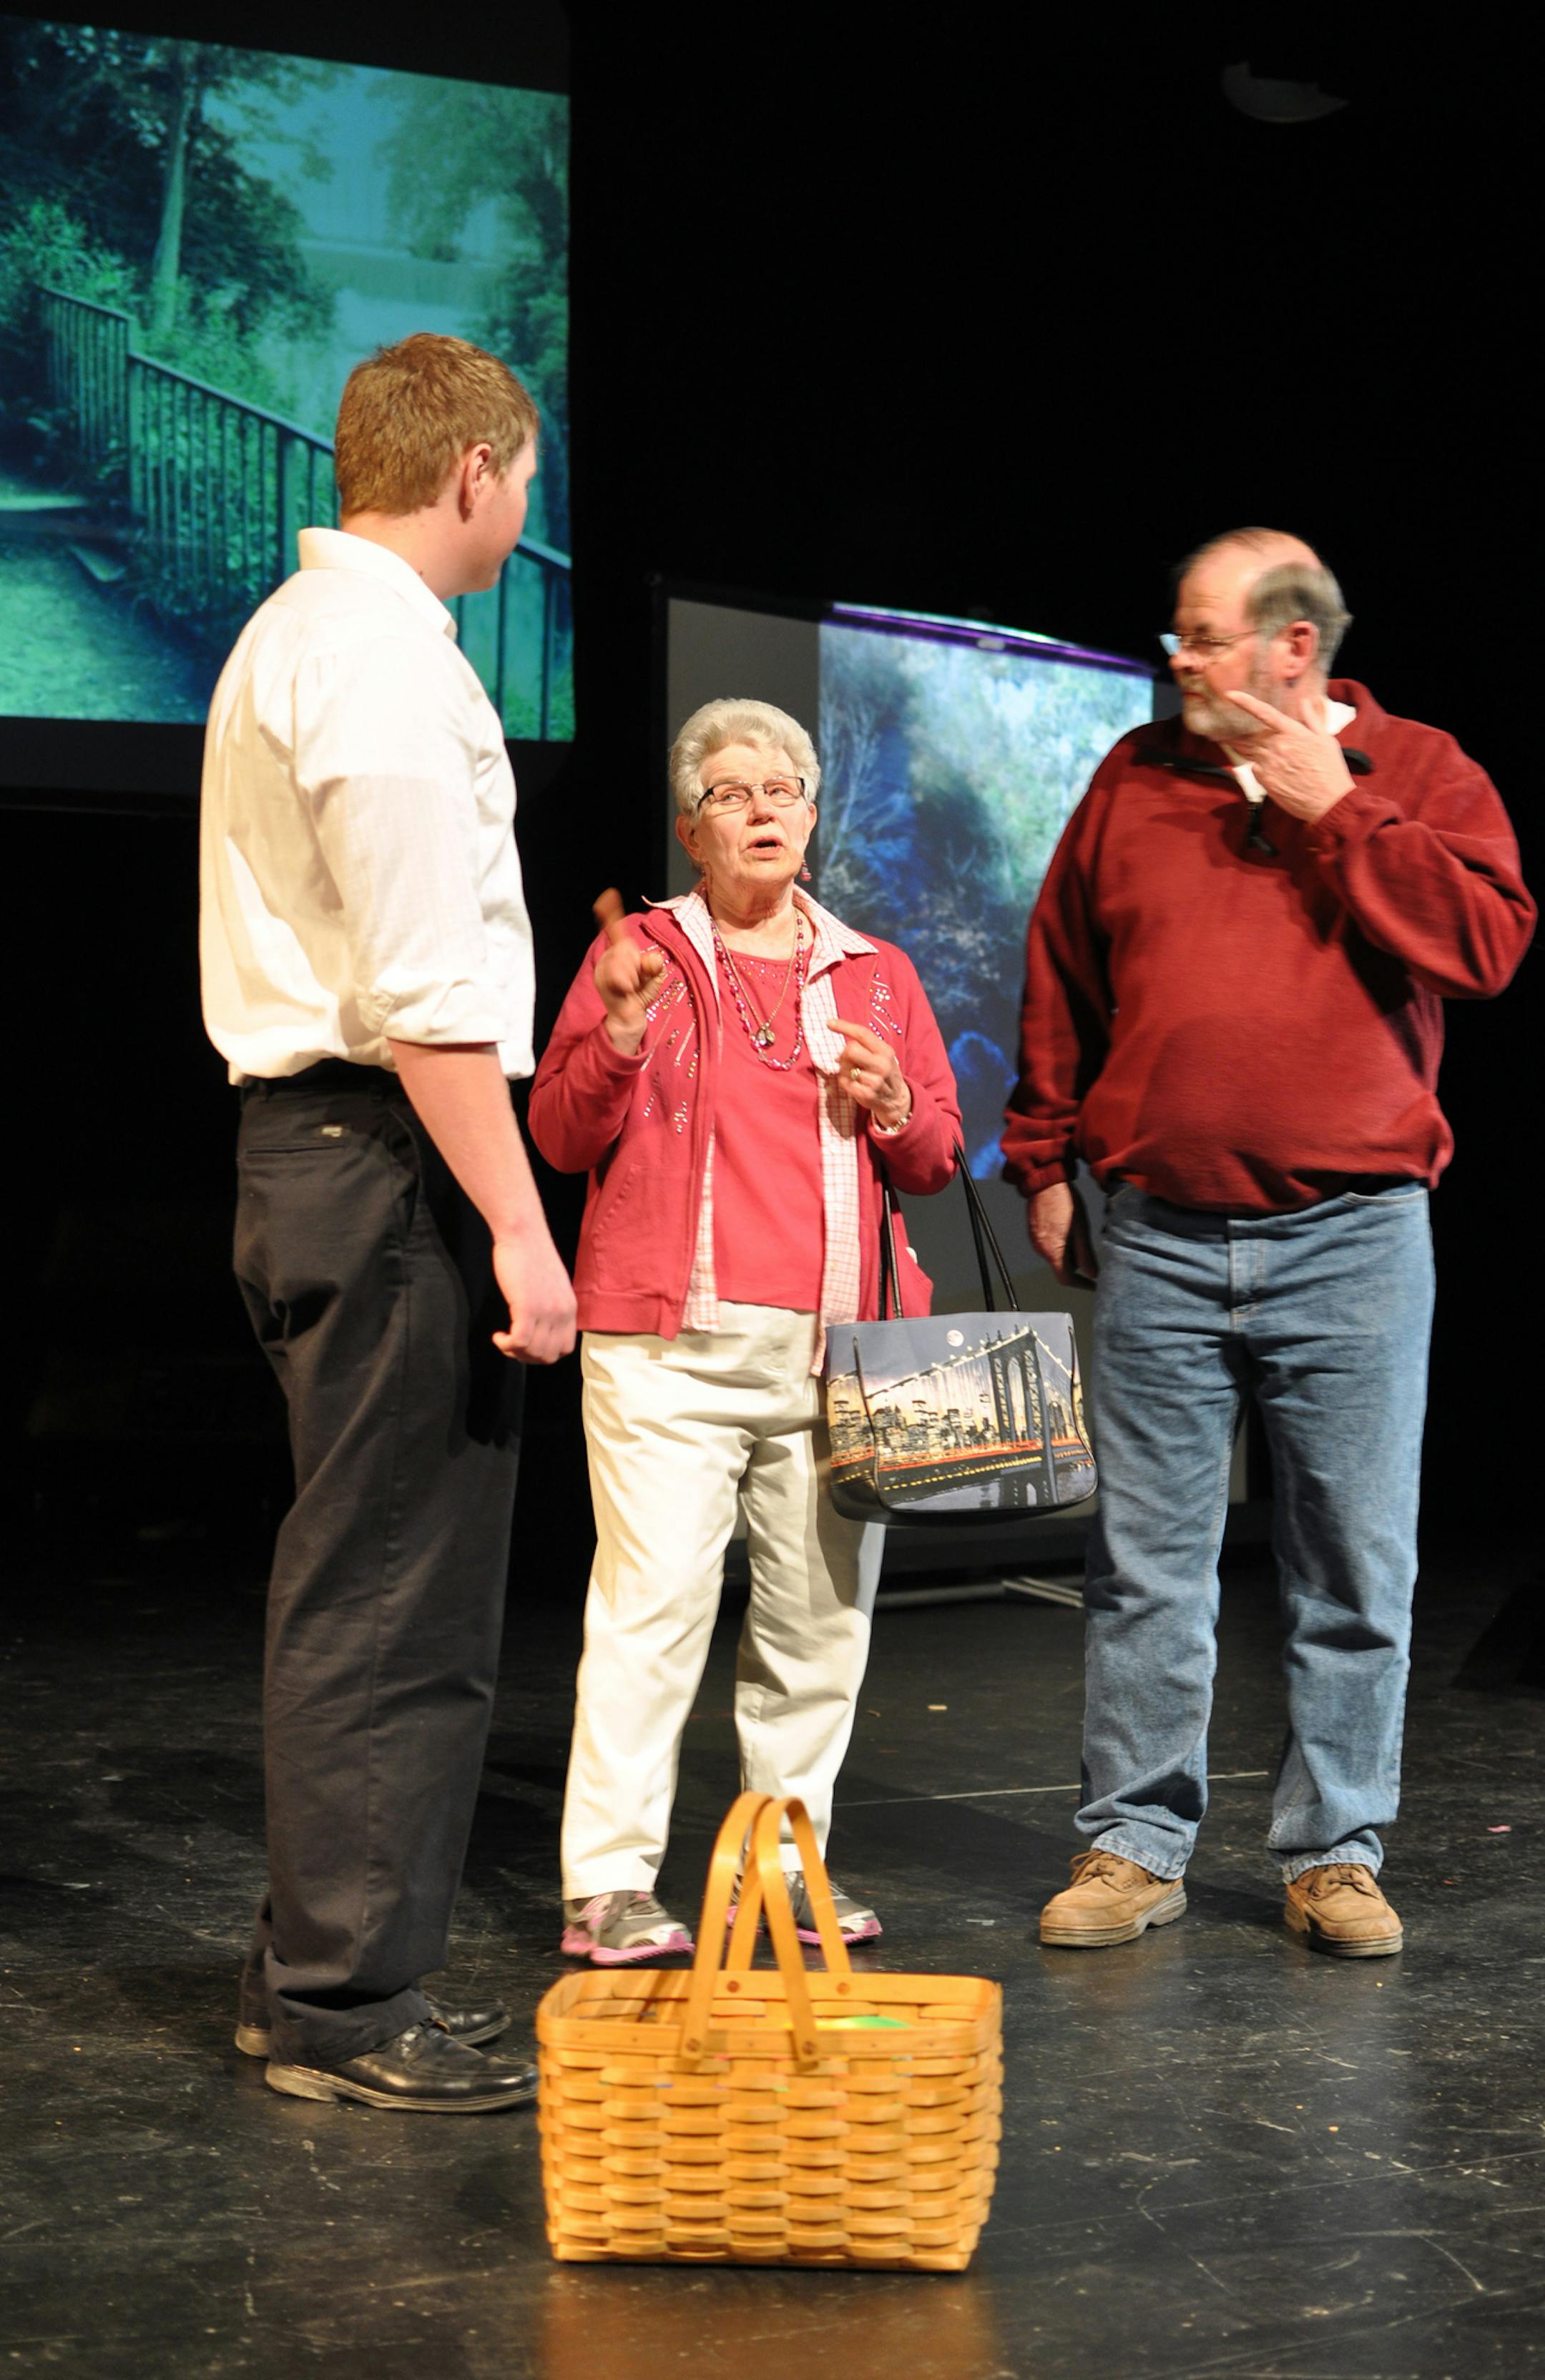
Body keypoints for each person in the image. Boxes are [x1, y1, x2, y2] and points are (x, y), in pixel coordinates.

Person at [1003, 529, 1534, 1958]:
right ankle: (1132, 1843)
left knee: (1354, 1566)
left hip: (1354, 1240)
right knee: (1145, 1563)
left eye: (1204, 634)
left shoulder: (1418, 771)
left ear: (1295, 644)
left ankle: (1336, 1851)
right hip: (1163, 1235)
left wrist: (1337, 810)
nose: (1179, 658)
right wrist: (1044, 1156)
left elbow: (1487, 945)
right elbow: (1061, 968)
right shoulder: (1136, 776)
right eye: (1177, 633)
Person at [200, 333, 576, 2110]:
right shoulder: (377, 659)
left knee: (368, 1573)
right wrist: (521, 1225)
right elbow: (427, 995)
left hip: (328, 1152)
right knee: (394, 1599)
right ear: (474, 475)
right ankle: (348, 2002)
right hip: (384, 1156)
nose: (526, 506)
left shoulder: (307, 632)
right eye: (528, 479)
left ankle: (311, 1975)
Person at [529, 699, 961, 1963]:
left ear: (812, 818)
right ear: (691, 830)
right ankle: (611, 1884)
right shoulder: (646, 954)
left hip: (837, 1354)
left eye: (784, 789)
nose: (763, 807)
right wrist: (618, 1033)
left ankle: (779, 1868)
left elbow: (936, 1155)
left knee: (818, 1631)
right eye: (731, 792)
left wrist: (896, 1101)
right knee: (653, 1617)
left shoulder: (877, 971)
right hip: (668, 1351)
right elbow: (559, 1134)